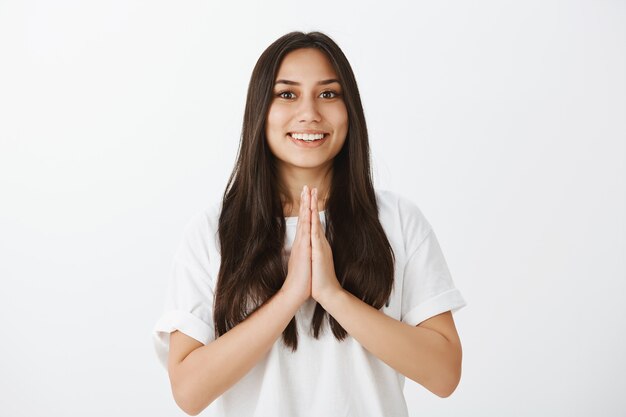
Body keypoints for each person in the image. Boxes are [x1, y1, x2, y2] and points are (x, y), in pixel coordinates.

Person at [152, 31, 467, 417]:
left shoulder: (398, 221)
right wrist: (289, 296)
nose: (310, 112)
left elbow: (444, 373)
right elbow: (188, 392)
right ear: (259, 111)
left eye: (328, 94)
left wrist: (333, 294)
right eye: (287, 94)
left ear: (350, 109)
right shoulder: (214, 231)